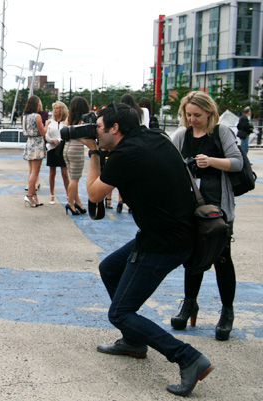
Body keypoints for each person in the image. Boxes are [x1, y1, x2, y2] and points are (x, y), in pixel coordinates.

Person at [81, 102, 213, 397]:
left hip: (163, 242)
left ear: (115, 128)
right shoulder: (154, 137)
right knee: (110, 268)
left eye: (98, 127)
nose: (95, 131)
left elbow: (92, 194)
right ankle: (134, 341)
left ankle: (188, 358)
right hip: (176, 232)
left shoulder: (127, 154)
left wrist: (92, 151)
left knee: (120, 313)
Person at [169, 91, 243, 341]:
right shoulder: (181, 135)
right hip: (191, 206)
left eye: (197, 115)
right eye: (188, 114)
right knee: (193, 258)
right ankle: (190, 304)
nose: (192, 119)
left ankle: (227, 311)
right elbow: (169, 163)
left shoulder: (221, 133)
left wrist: (210, 161)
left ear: (209, 113)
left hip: (218, 206)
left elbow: (237, 163)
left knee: (222, 258)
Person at [63, 96, 89, 215]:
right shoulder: (83, 120)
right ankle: (70, 203)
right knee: (75, 179)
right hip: (77, 149)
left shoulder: (68, 119)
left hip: (67, 148)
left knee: (72, 177)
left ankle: (77, 202)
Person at [22, 95, 47, 208]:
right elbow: (43, 132)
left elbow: (24, 132)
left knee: (31, 171)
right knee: (35, 173)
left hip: (29, 143)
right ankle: (30, 195)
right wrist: (47, 125)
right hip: (37, 144)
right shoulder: (37, 116)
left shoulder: (25, 116)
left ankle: (34, 196)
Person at [45, 101, 70, 205]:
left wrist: (59, 141)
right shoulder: (50, 122)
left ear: (62, 110)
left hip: (63, 148)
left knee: (65, 173)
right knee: (52, 172)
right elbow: (46, 134)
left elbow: (68, 133)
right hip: (52, 148)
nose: (55, 110)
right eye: (54, 108)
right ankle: (52, 194)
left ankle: (69, 195)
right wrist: (51, 141)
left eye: (57, 108)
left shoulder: (66, 122)